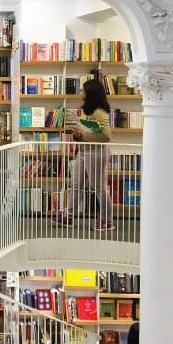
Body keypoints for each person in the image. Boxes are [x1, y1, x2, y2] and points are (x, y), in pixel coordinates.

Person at [53, 78, 115, 231]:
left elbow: (107, 136)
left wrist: (82, 136)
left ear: (91, 94)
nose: (81, 92)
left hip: (95, 153)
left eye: (84, 90)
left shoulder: (100, 113)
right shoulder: (91, 112)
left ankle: (107, 220)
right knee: (75, 185)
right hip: (84, 152)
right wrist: (78, 134)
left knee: (99, 187)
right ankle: (69, 216)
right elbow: (90, 131)